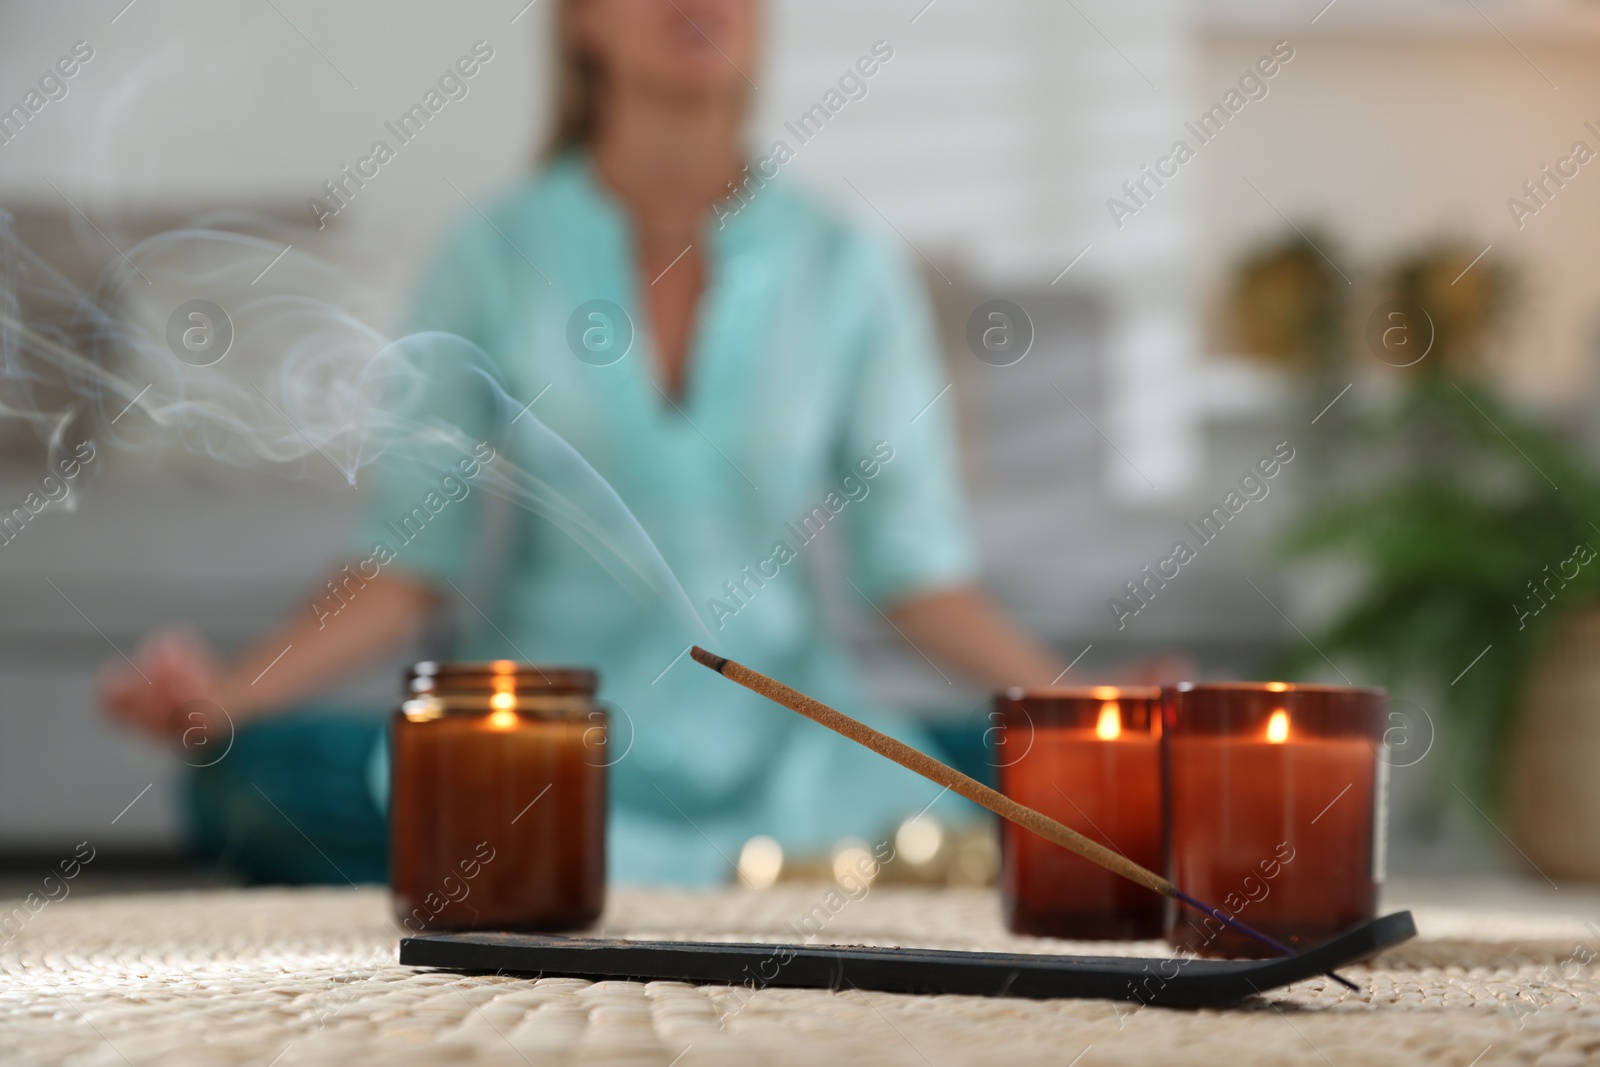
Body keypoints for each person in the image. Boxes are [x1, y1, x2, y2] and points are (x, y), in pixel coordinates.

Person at [99, 0, 1068, 885]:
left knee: (1054, 775)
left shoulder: (851, 267)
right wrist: (228, 694)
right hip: (536, 763)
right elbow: (406, 564)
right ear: (578, 21)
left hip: (796, 761)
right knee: (244, 778)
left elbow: (917, 576)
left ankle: (705, 857)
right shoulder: (489, 254)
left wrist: (1086, 709)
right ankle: (797, 865)